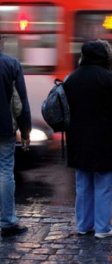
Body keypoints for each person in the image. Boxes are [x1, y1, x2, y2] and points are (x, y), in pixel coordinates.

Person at [63, 39, 112, 239]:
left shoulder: (72, 78)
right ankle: (102, 227)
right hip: (104, 139)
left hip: (77, 139)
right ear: (106, 57)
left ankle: (83, 225)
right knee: (104, 184)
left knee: (83, 184)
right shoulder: (109, 79)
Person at [0, 34, 31, 237]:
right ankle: (8, 222)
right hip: (3, 128)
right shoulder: (11, 64)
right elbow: (21, 102)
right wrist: (25, 131)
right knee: (4, 171)